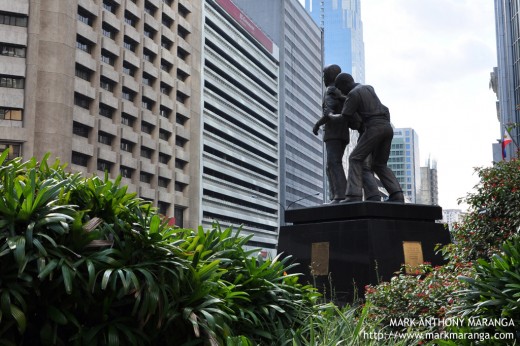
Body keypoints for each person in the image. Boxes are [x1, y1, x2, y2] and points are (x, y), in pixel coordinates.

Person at [332, 73, 404, 203]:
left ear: (344, 84)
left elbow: (344, 116)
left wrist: (330, 116)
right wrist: (343, 97)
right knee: (379, 164)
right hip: (387, 127)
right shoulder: (368, 88)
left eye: (340, 88)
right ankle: (397, 194)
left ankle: (353, 195)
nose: (341, 91)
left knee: (354, 158)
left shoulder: (353, 94)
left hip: (374, 128)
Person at [313, 65, 349, 203]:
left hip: (334, 132)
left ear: (328, 76)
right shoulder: (342, 91)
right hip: (343, 132)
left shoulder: (330, 90)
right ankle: (338, 195)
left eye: (324, 76)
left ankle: (340, 195)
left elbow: (329, 112)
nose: (323, 79)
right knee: (333, 164)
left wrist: (317, 124)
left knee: (333, 163)